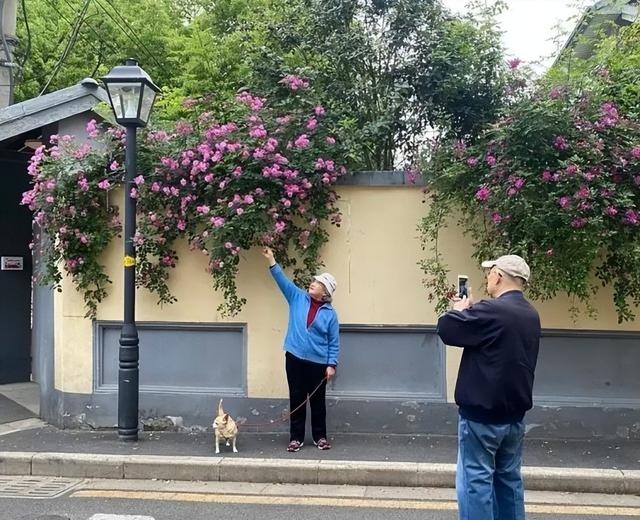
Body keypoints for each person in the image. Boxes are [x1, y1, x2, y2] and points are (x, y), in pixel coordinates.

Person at [437, 254, 541, 520]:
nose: (488, 278)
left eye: (490, 272)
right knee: (508, 480)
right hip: (514, 415)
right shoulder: (530, 314)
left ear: (499, 275)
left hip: (481, 415)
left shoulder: (492, 310)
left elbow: (448, 329)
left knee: (476, 481)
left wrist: (461, 310)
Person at [262, 246, 340, 452]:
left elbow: (334, 341)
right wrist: (271, 260)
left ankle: (320, 437)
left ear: (325, 291)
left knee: (317, 402)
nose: (312, 283)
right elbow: (282, 281)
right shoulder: (297, 297)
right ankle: (295, 439)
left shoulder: (331, 314)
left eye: (317, 282)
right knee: (296, 398)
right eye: (314, 281)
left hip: (318, 362)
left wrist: (331, 364)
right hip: (295, 357)